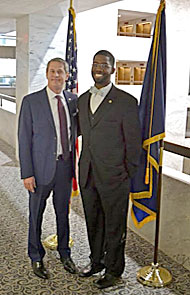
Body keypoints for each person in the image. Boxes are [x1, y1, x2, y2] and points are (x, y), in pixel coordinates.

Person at [78, 50, 142, 289]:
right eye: (95, 64)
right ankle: (96, 262)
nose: (99, 68)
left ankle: (114, 271)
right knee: (93, 221)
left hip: (115, 177)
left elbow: (134, 143)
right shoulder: (83, 99)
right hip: (88, 173)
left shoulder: (126, 101)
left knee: (114, 226)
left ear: (113, 70)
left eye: (104, 65)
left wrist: (125, 172)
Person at [18, 57, 78, 279]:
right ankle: (36, 256)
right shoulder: (31, 101)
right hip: (40, 170)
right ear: (47, 74)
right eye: (52, 71)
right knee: (36, 215)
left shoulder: (73, 101)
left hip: (64, 168)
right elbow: (24, 139)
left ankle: (65, 253)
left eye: (60, 72)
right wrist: (27, 173)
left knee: (63, 214)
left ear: (66, 75)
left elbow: (77, 133)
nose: (56, 75)